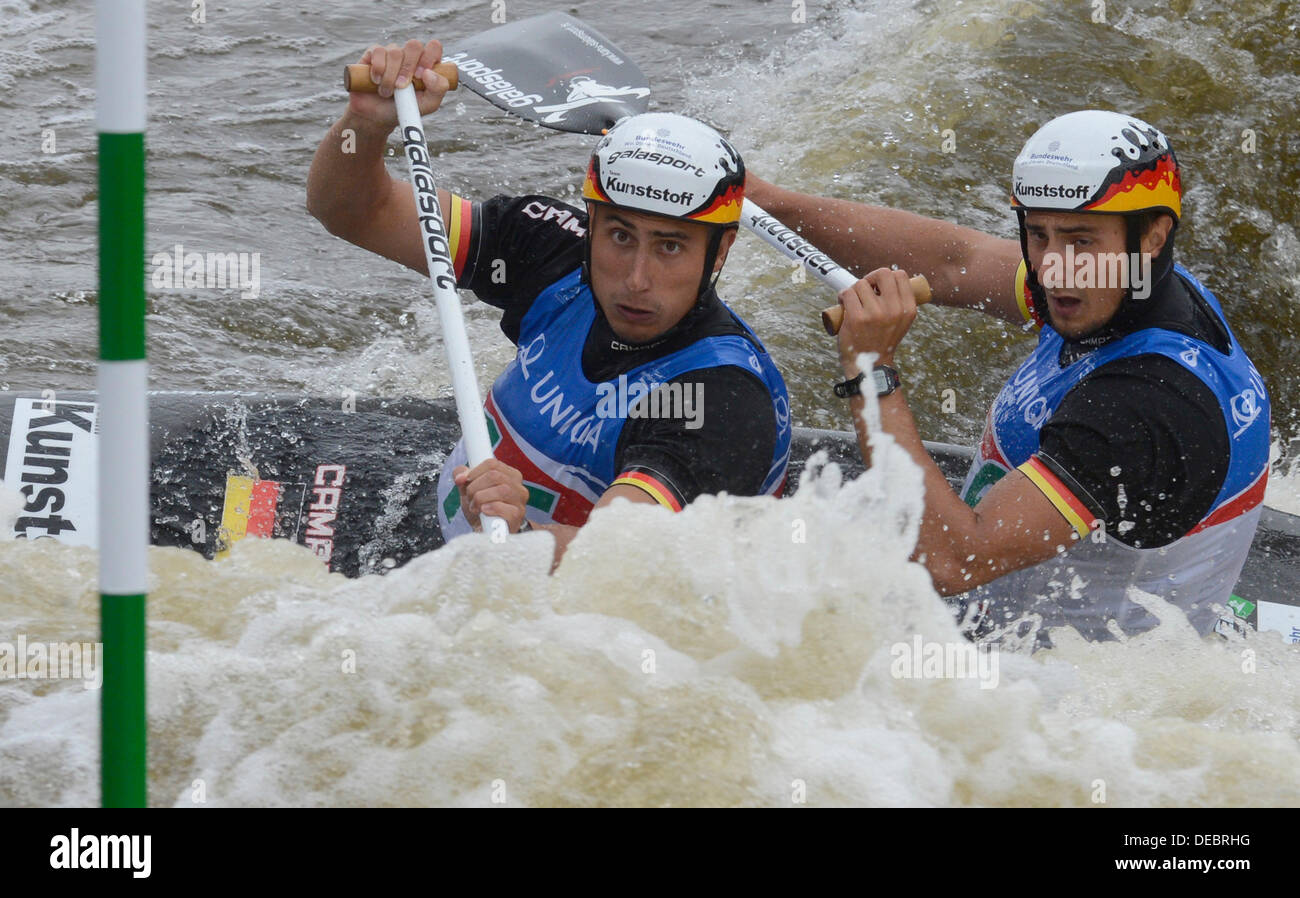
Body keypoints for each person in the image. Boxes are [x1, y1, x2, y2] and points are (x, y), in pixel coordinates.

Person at [747, 109, 1270, 643]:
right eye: (1039, 235)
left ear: (1154, 236)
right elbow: (956, 261)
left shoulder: (1147, 406)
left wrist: (870, 372)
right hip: (997, 616)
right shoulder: (1120, 286)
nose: (1052, 269)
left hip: (1060, 693)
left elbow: (954, 562)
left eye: (1080, 240)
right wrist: (772, 203)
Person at [307, 40, 791, 565]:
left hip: (552, 602)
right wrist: (369, 123)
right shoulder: (551, 249)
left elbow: (619, 558)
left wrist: (518, 537)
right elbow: (351, 212)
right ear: (591, 225)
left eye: (670, 246)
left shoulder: (721, 400)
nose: (635, 279)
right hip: (443, 533)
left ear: (720, 251)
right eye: (620, 235)